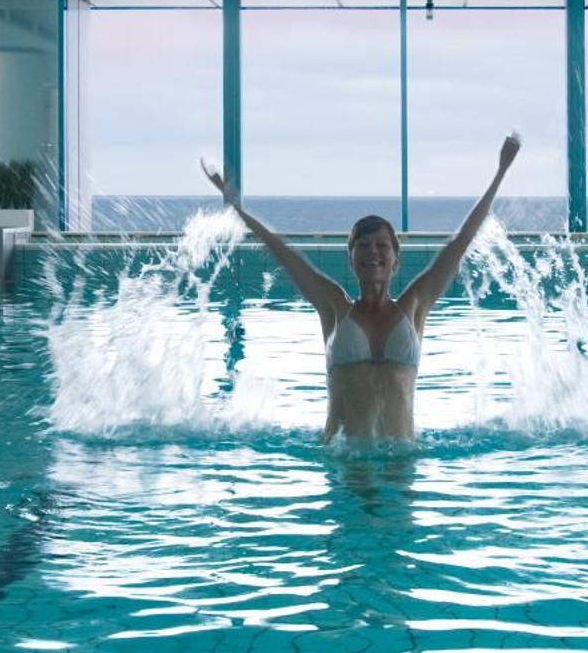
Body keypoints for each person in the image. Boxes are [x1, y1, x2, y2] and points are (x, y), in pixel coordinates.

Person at [201, 134, 522, 443]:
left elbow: (460, 242)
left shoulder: (414, 305)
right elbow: (279, 249)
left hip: (401, 463)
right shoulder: (334, 307)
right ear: (351, 257)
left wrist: (501, 172)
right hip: (344, 463)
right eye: (363, 245)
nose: (373, 252)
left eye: (382, 245)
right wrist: (233, 202)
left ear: (396, 260)